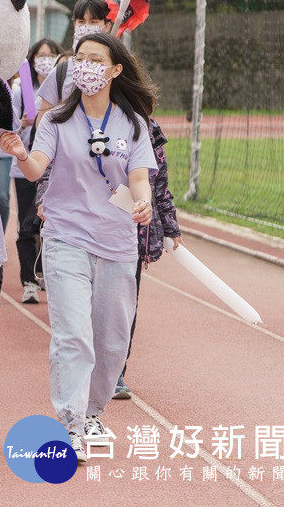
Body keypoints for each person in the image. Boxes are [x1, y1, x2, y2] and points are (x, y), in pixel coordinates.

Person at [1, 31, 157, 463]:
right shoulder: (55, 122)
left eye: (95, 59)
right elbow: (36, 171)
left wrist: (141, 201)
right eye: (80, 59)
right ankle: (70, 421)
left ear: (115, 69)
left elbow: (139, 177)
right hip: (66, 237)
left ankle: (92, 413)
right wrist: (19, 152)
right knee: (73, 336)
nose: (85, 66)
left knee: (110, 341)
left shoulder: (133, 124)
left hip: (117, 243)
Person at [112, 117, 181, 399]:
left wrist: (170, 225)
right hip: (90, 232)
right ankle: (85, 368)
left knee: (123, 309)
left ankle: (115, 373)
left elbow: (160, 187)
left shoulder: (150, 133)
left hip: (132, 239)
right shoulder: (87, 122)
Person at [12, 38, 62, 305]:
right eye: (40, 55)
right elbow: (7, 129)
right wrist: (21, 124)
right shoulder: (24, 91)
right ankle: (29, 281)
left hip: (53, 169)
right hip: (24, 168)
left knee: (47, 223)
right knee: (26, 226)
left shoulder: (63, 89)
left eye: (50, 55)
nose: (45, 59)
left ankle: (43, 271)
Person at [36, 0, 114, 116]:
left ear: (107, 26)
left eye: (93, 22)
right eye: (81, 22)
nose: (86, 26)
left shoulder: (114, 70)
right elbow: (42, 119)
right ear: (75, 25)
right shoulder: (62, 70)